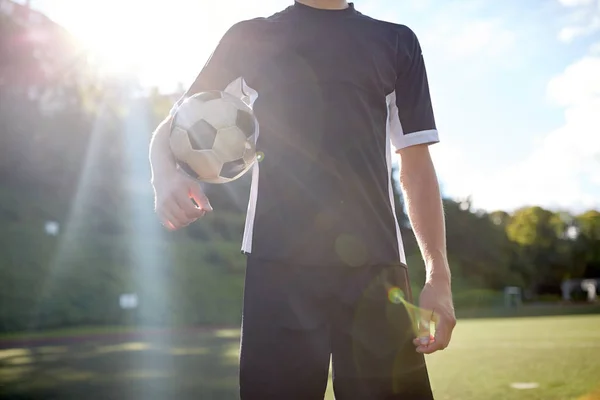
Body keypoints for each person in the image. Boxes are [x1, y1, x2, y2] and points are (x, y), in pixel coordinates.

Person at [149, 0, 456, 398]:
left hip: (377, 273)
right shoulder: (249, 36)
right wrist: (165, 175)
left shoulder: (397, 42)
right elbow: (174, 124)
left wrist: (439, 277)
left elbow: (416, 166)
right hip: (276, 266)